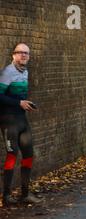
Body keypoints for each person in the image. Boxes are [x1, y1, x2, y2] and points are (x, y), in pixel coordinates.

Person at [0, 43, 42, 206]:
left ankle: (25, 194)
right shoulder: (7, 73)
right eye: (20, 53)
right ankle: (6, 196)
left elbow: (19, 96)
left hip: (22, 120)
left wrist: (26, 104)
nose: (23, 55)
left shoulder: (25, 72)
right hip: (8, 121)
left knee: (29, 155)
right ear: (13, 55)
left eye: (26, 53)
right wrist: (19, 103)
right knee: (12, 156)